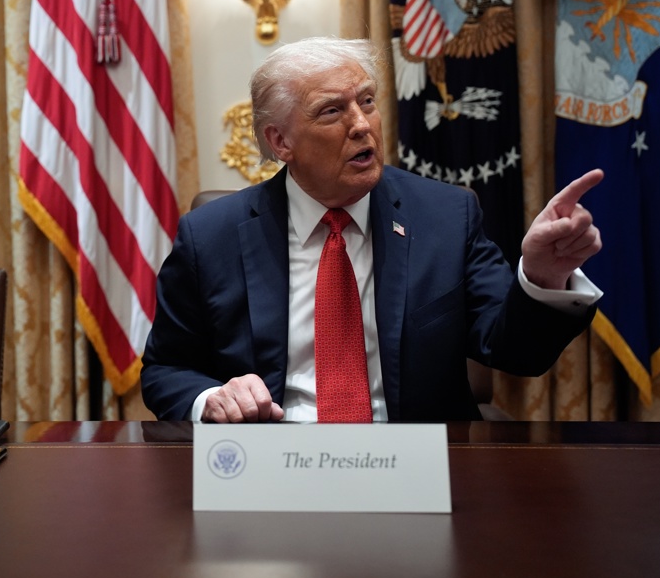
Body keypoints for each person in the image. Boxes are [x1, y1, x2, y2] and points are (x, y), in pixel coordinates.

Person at [141, 37, 603, 423]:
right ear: (281, 141)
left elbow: (516, 352)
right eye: (331, 112)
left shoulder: (445, 216)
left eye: (366, 101)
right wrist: (213, 400)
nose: (363, 126)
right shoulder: (211, 236)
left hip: (417, 472)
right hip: (274, 469)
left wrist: (542, 278)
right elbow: (165, 370)